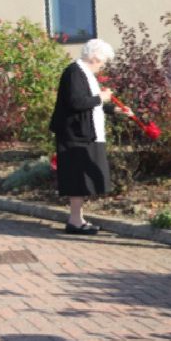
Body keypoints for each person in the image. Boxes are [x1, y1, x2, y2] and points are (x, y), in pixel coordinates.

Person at [49, 38, 130, 235]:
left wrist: (115, 110)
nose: (103, 67)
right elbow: (77, 102)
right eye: (103, 62)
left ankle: (77, 219)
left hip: (84, 134)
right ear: (95, 57)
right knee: (78, 177)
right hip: (75, 135)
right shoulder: (74, 72)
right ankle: (75, 221)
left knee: (84, 177)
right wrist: (101, 98)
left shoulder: (85, 74)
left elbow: (91, 105)